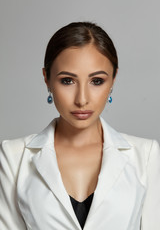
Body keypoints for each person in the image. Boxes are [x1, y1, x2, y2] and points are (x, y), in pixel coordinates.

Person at [0, 22, 160, 230]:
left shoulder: (145, 155)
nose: (82, 99)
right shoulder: (13, 156)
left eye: (96, 81)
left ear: (113, 80)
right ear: (47, 79)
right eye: (67, 81)